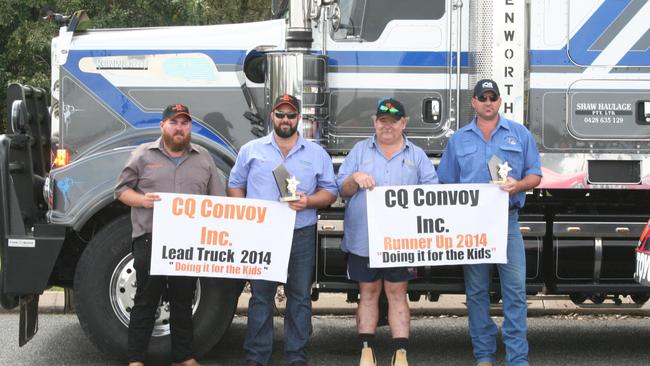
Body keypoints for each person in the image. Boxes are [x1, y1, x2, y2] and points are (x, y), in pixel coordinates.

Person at [437, 79, 542, 366]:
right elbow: (445, 182)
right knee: (477, 292)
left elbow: (535, 174)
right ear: (473, 102)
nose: (487, 102)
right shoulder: (459, 139)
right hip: (471, 227)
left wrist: (518, 185)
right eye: (481, 98)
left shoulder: (518, 134)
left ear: (499, 101)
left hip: (507, 223)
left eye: (492, 97)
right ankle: (483, 355)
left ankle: (517, 359)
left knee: (515, 293)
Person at [227, 94, 338, 366]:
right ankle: (257, 355)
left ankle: (296, 355)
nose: (285, 120)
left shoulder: (316, 153)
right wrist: (244, 214)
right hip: (262, 234)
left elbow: (331, 192)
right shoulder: (251, 150)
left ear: (299, 118)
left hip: (301, 232)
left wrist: (309, 201)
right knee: (261, 296)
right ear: (272, 117)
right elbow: (235, 184)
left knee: (299, 296)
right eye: (280, 114)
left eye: (290, 115)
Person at [115, 104, 222, 366]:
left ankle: (183, 357)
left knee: (183, 300)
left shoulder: (204, 158)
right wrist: (142, 201)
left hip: (187, 243)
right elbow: (120, 191)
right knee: (145, 300)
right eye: (174, 122)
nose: (179, 128)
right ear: (163, 126)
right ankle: (136, 359)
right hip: (151, 239)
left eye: (185, 123)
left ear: (190, 128)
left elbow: (218, 200)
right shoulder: (142, 155)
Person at [337, 98, 439, 366]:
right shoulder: (359, 151)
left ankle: (400, 354)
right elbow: (341, 190)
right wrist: (354, 179)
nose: (387, 126)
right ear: (375, 122)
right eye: (383, 121)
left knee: (397, 293)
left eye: (393, 121)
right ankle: (366, 352)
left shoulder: (416, 156)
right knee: (367, 292)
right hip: (364, 239)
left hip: (401, 243)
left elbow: (434, 193)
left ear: (403, 123)